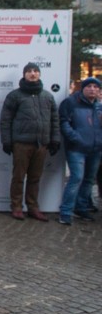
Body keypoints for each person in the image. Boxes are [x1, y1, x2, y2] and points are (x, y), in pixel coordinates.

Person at [0, 62, 60, 221]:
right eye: (29, 71)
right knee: (18, 177)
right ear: (24, 74)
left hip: (41, 144)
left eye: (35, 71)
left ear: (39, 74)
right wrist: (6, 141)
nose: (32, 74)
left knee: (35, 177)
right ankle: (17, 207)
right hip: (21, 143)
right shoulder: (15, 96)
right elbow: (6, 120)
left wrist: (54, 140)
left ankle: (33, 207)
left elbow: (54, 120)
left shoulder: (47, 96)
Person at [57, 77, 102, 225]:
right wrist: (75, 138)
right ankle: (65, 211)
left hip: (95, 149)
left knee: (89, 180)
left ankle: (81, 207)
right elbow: (63, 122)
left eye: (96, 87)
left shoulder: (98, 106)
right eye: (89, 86)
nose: (92, 89)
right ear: (82, 88)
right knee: (76, 178)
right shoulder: (70, 102)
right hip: (76, 148)